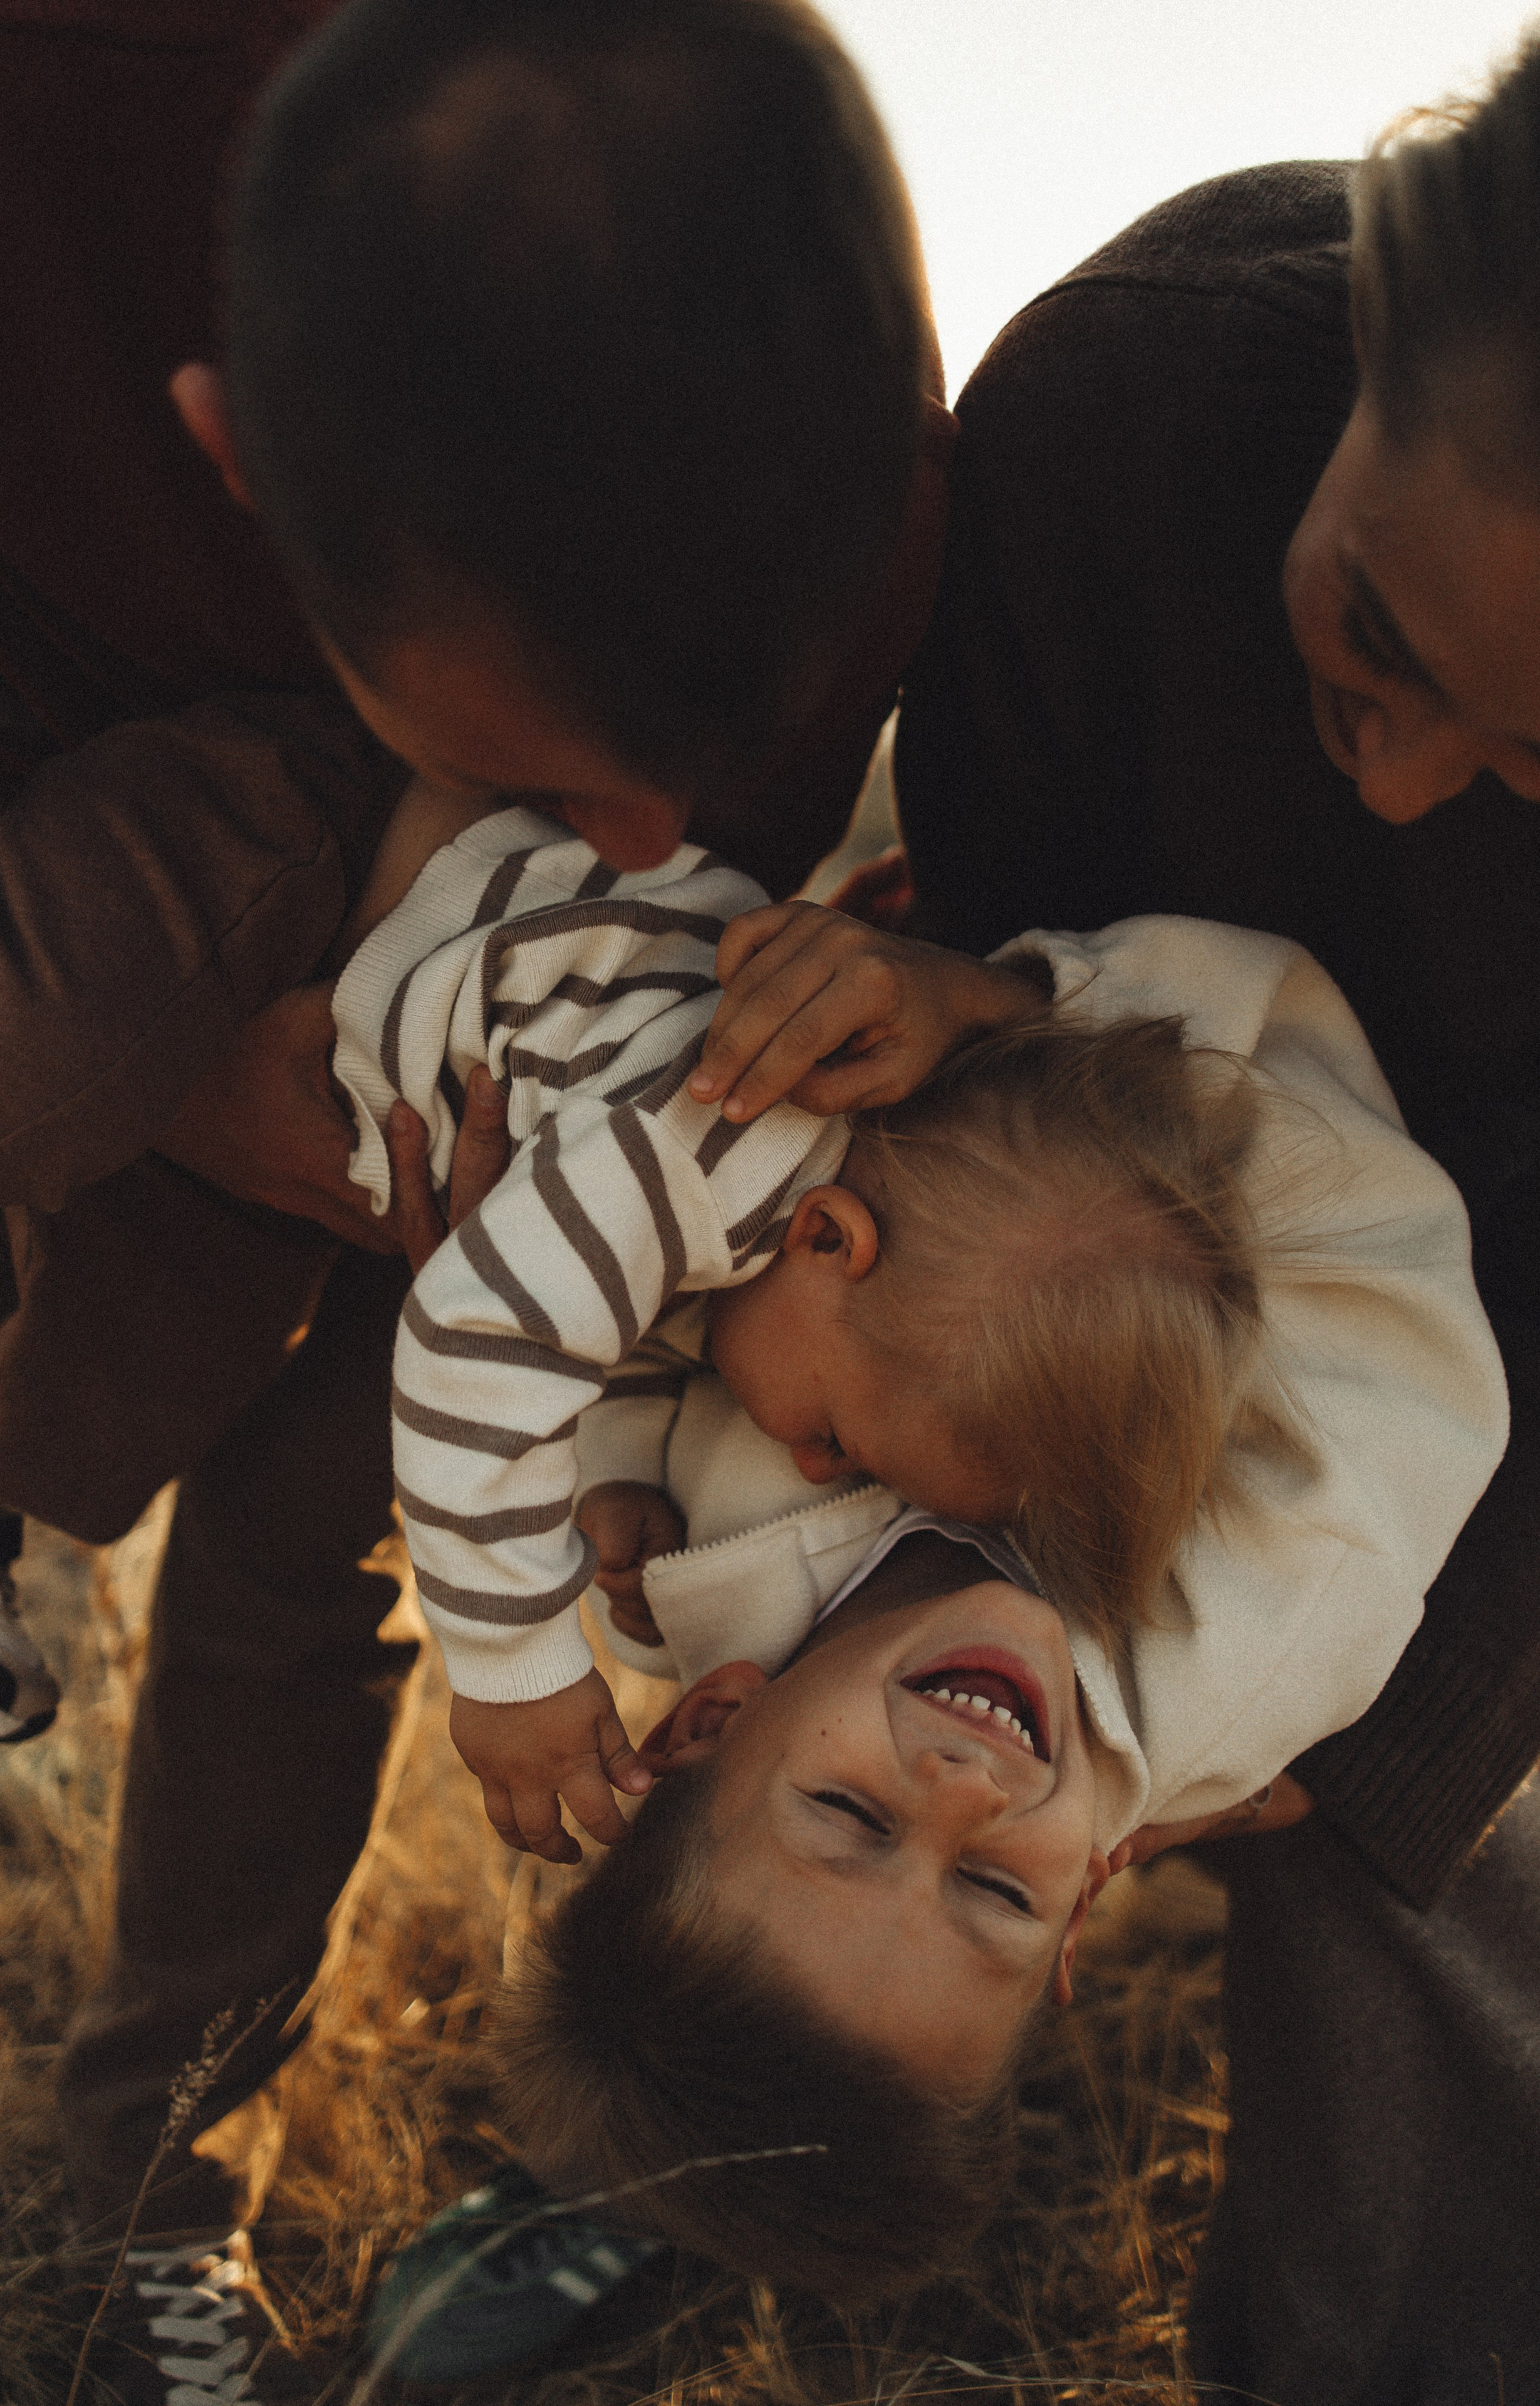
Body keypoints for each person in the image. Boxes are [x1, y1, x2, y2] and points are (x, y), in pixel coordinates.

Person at [0, 0, 949, 2345]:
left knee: (327, 1529)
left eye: (675, 758)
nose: (631, 832)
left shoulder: (816, 382)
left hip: (493, 1074)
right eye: (543, 757)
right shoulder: (6, 142)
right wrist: (183, 1074)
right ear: (234, 470)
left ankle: (140, 2197)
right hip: (51, 856)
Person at [362, 903, 1505, 2363]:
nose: (958, 1794)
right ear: (1086, 1902)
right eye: (994, 1897)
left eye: (847, 1812)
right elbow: (1380, 1249)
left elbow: (652, 1342)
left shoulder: (681, 1563)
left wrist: (587, 1390)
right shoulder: (1283, 1609)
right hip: (1201, 1038)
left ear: (709, 1719)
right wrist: (1031, 1022)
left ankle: (645, 2188)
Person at [888, 48, 1540, 2403]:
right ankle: (751, 2123)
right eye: (1371, 627)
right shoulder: (1116, 414)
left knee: (1416, 1848)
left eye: (1535, 761)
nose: (1397, 778)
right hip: (1126, 1188)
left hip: (1502, 1319)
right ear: (1378, 324)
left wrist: (1374, 1732)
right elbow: (997, 967)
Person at [331, 782, 1343, 1854]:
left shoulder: (755, 1219)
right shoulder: (705, 1155)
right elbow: (480, 1339)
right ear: (830, 1239)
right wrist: (514, 1667)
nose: (813, 1467)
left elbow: (606, 1312)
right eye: (842, 1438)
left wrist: (621, 1460)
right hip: (361, 881)